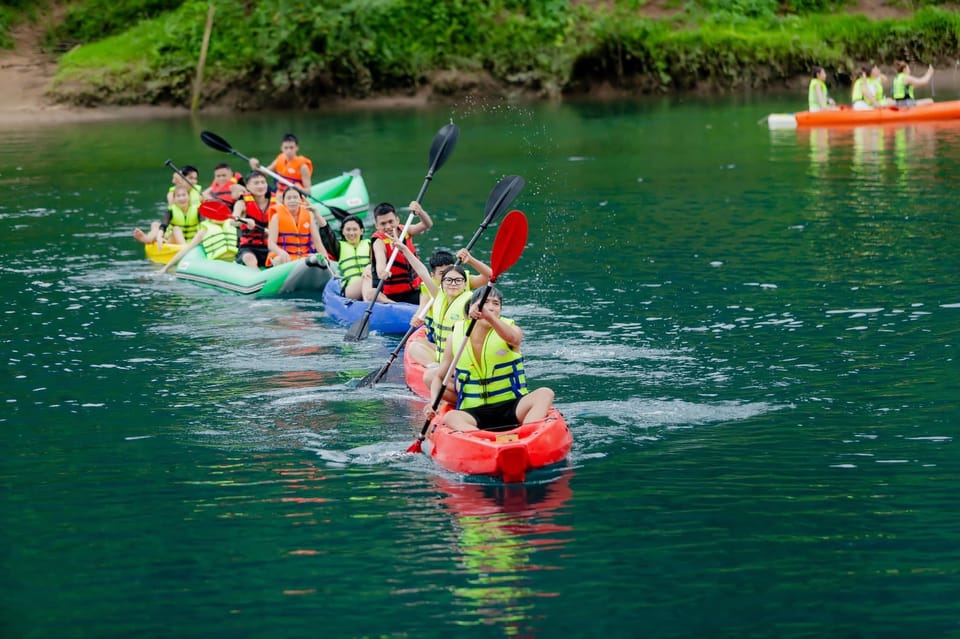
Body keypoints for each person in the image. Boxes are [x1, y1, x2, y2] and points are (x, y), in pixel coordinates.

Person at [427, 286, 554, 432]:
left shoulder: (511, 329)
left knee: (545, 393)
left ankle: (528, 433)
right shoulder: (455, 337)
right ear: (473, 306)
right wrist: (433, 403)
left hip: (511, 405)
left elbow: (514, 339)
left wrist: (489, 317)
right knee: (451, 417)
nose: (491, 307)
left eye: (496, 303)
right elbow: (439, 377)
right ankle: (481, 440)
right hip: (474, 411)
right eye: (486, 302)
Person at [398, 245, 492, 378]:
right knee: (414, 346)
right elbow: (422, 271)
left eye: (457, 280)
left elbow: (491, 277)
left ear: (465, 284)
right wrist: (404, 249)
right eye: (448, 280)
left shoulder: (470, 300)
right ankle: (435, 367)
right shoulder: (439, 296)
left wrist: (470, 260)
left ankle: (442, 372)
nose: (452, 283)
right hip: (443, 355)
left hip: (461, 358)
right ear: (441, 282)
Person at [366, 201, 433, 305]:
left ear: (397, 220)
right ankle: (393, 304)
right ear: (377, 226)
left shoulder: (406, 230)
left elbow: (427, 224)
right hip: (392, 295)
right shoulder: (379, 242)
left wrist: (420, 212)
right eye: (383, 224)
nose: (388, 226)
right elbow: (380, 262)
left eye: (390, 221)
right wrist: (383, 272)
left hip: (414, 289)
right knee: (371, 294)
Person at [266, 187, 336, 266]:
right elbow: (271, 243)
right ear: (284, 201)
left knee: (318, 258)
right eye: (289, 198)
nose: (292, 200)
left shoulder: (308, 215)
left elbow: (317, 242)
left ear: (300, 199)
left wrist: (326, 259)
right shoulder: (276, 217)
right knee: (279, 259)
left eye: (295, 197)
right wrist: (280, 252)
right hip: (286, 256)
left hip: (304, 256)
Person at [160, 208, 239, 274]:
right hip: (215, 263)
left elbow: (246, 222)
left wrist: (248, 221)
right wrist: (166, 268)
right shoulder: (204, 231)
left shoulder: (230, 224)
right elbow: (187, 249)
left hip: (232, 262)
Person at [133, 184, 199, 248]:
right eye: (178, 196)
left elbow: (204, 224)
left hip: (193, 240)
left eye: (184, 195)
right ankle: (148, 239)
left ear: (189, 197)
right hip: (174, 242)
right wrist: (159, 236)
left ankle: (151, 239)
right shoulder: (171, 211)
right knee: (173, 228)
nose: (181, 198)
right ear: (174, 199)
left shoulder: (197, 210)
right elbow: (164, 225)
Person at [232, 172, 274, 269]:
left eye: (263, 182)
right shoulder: (242, 203)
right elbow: (233, 221)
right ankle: (259, 278)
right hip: (248, 247)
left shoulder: (276, 202)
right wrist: (245, 220)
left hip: (271, 245)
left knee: (278, 257)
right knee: (250, 259)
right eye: (256, 183)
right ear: (248, 186)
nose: (260, 186)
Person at [248, 133, 313, 194]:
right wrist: (254, 166)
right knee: (256, 187)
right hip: (278, 192)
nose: (289, 151)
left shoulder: (303, 167)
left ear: (296, 148)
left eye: (291, 147)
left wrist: (300, 189)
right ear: (281, 148)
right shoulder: (279, 159)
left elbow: (308, 191)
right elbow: (264, 174)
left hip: (292, 196)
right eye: (286, 148)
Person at [325, 214, 371, 299]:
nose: (351, 233)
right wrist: (316, 213)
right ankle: (368, 303)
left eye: (355, 229)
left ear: (362, 231)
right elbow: (327, 233)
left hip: (371, 285)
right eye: (348, 230)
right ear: (342, 231)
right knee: (367, 277)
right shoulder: (338, 247)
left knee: (370, 274)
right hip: (351, 290)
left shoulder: (369, 244)